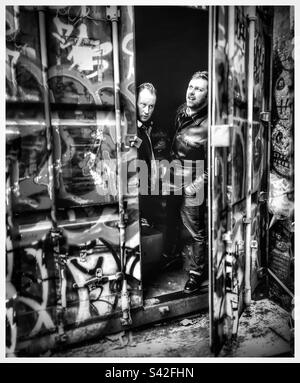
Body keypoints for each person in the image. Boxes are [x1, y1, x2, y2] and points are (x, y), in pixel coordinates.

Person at [167, 71, 209, 293]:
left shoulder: (209, 124)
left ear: (208, 95)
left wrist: (197, 184)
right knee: (172, 220)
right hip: (174, 176)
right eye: (191, 86)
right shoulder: (181, 111)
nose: (192, 92)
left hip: (195, 181)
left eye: (199, 89)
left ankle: (195, 273)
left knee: (195, 230)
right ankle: (173, 257)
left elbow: (215, 164)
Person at [136, 82, 157, 226]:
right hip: (137, 198)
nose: (146, 111)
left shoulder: (144, 129)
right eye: (143, 105)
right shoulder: (131, 131)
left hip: (147, 195)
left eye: (151, 106)